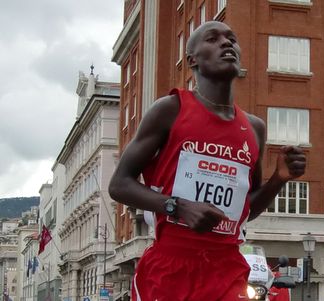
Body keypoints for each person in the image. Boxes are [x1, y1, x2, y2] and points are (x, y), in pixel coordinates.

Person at [108, 21, 306, 301]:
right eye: (212, 39)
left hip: (227, 268)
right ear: (192, 60)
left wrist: (278, 179)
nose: (227, 43)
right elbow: (119, 185)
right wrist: (178, 207)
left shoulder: (254, 128)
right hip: (171, 266)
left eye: (232, 39)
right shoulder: (170, 109)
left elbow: (246, 209)